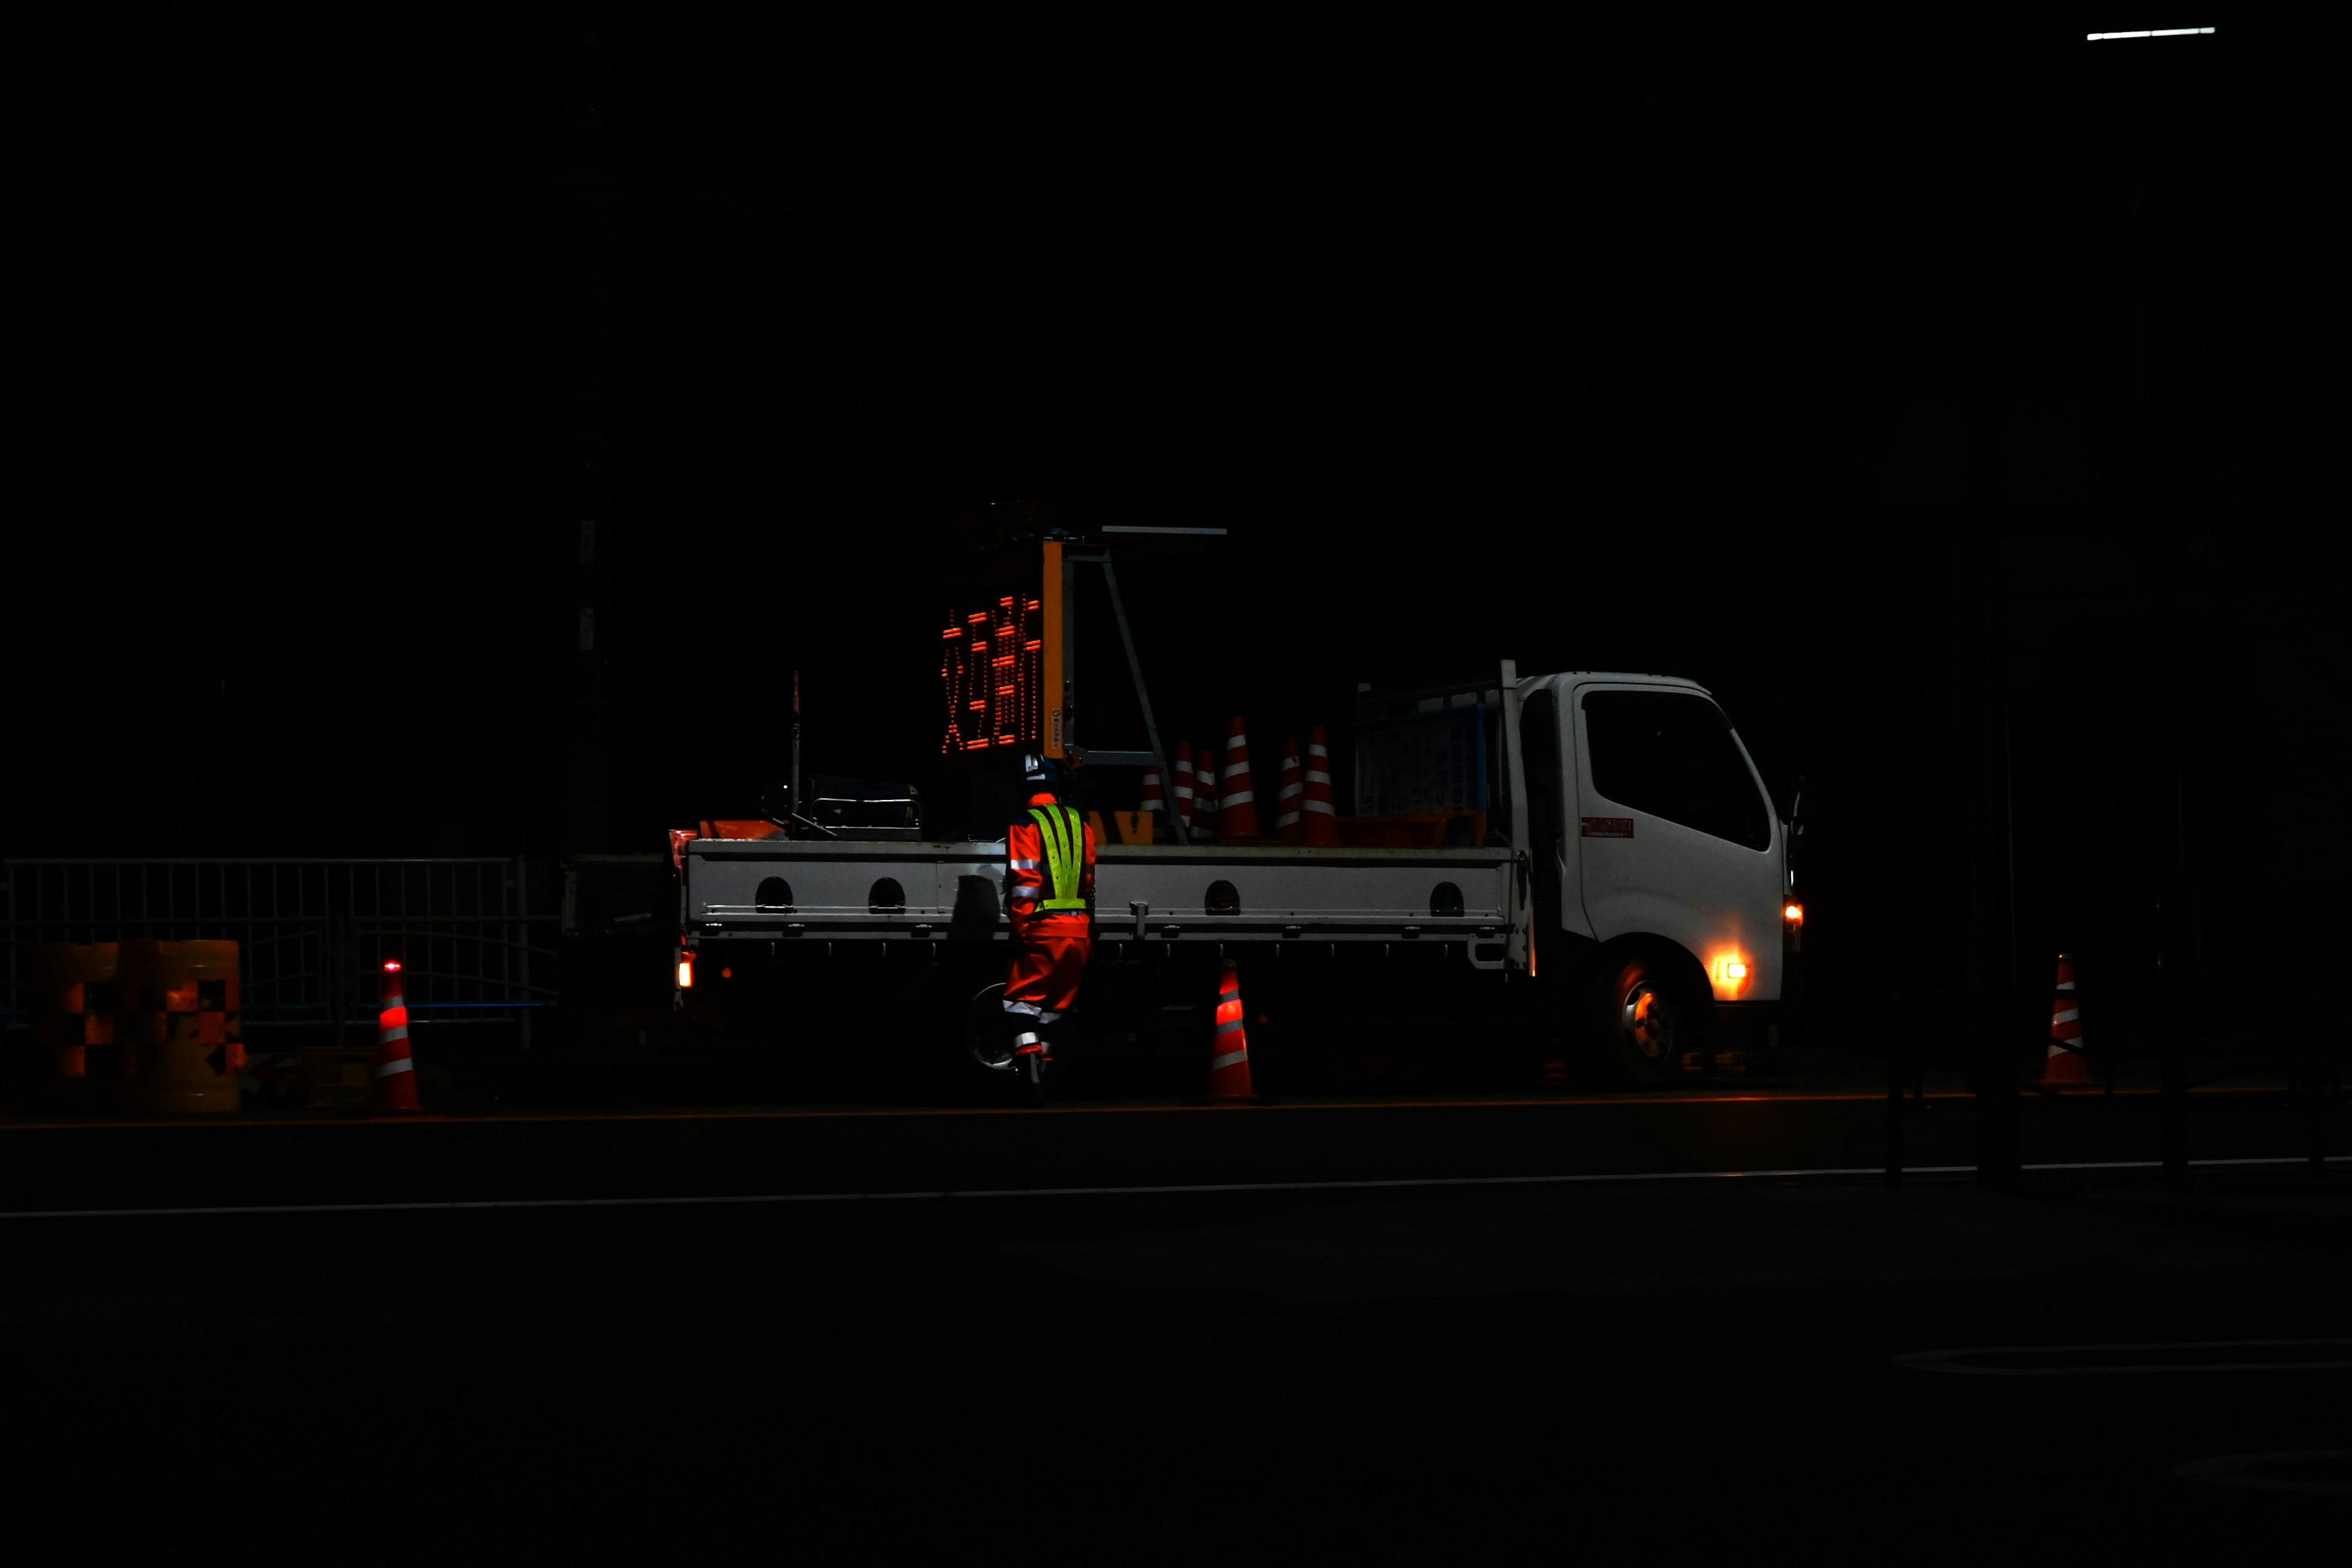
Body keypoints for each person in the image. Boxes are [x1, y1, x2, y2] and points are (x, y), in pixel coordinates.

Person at [1000, 753, 1095, 1087]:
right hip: (1080, 932)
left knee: (1019, 1004)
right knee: (1055, 1007)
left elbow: (1025, 883)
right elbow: (1088, 881)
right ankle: (1045, 1073)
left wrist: (1020, 928)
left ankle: (1029, 1070)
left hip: (1044, 929)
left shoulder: (1024, 823)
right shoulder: (1081, 823)